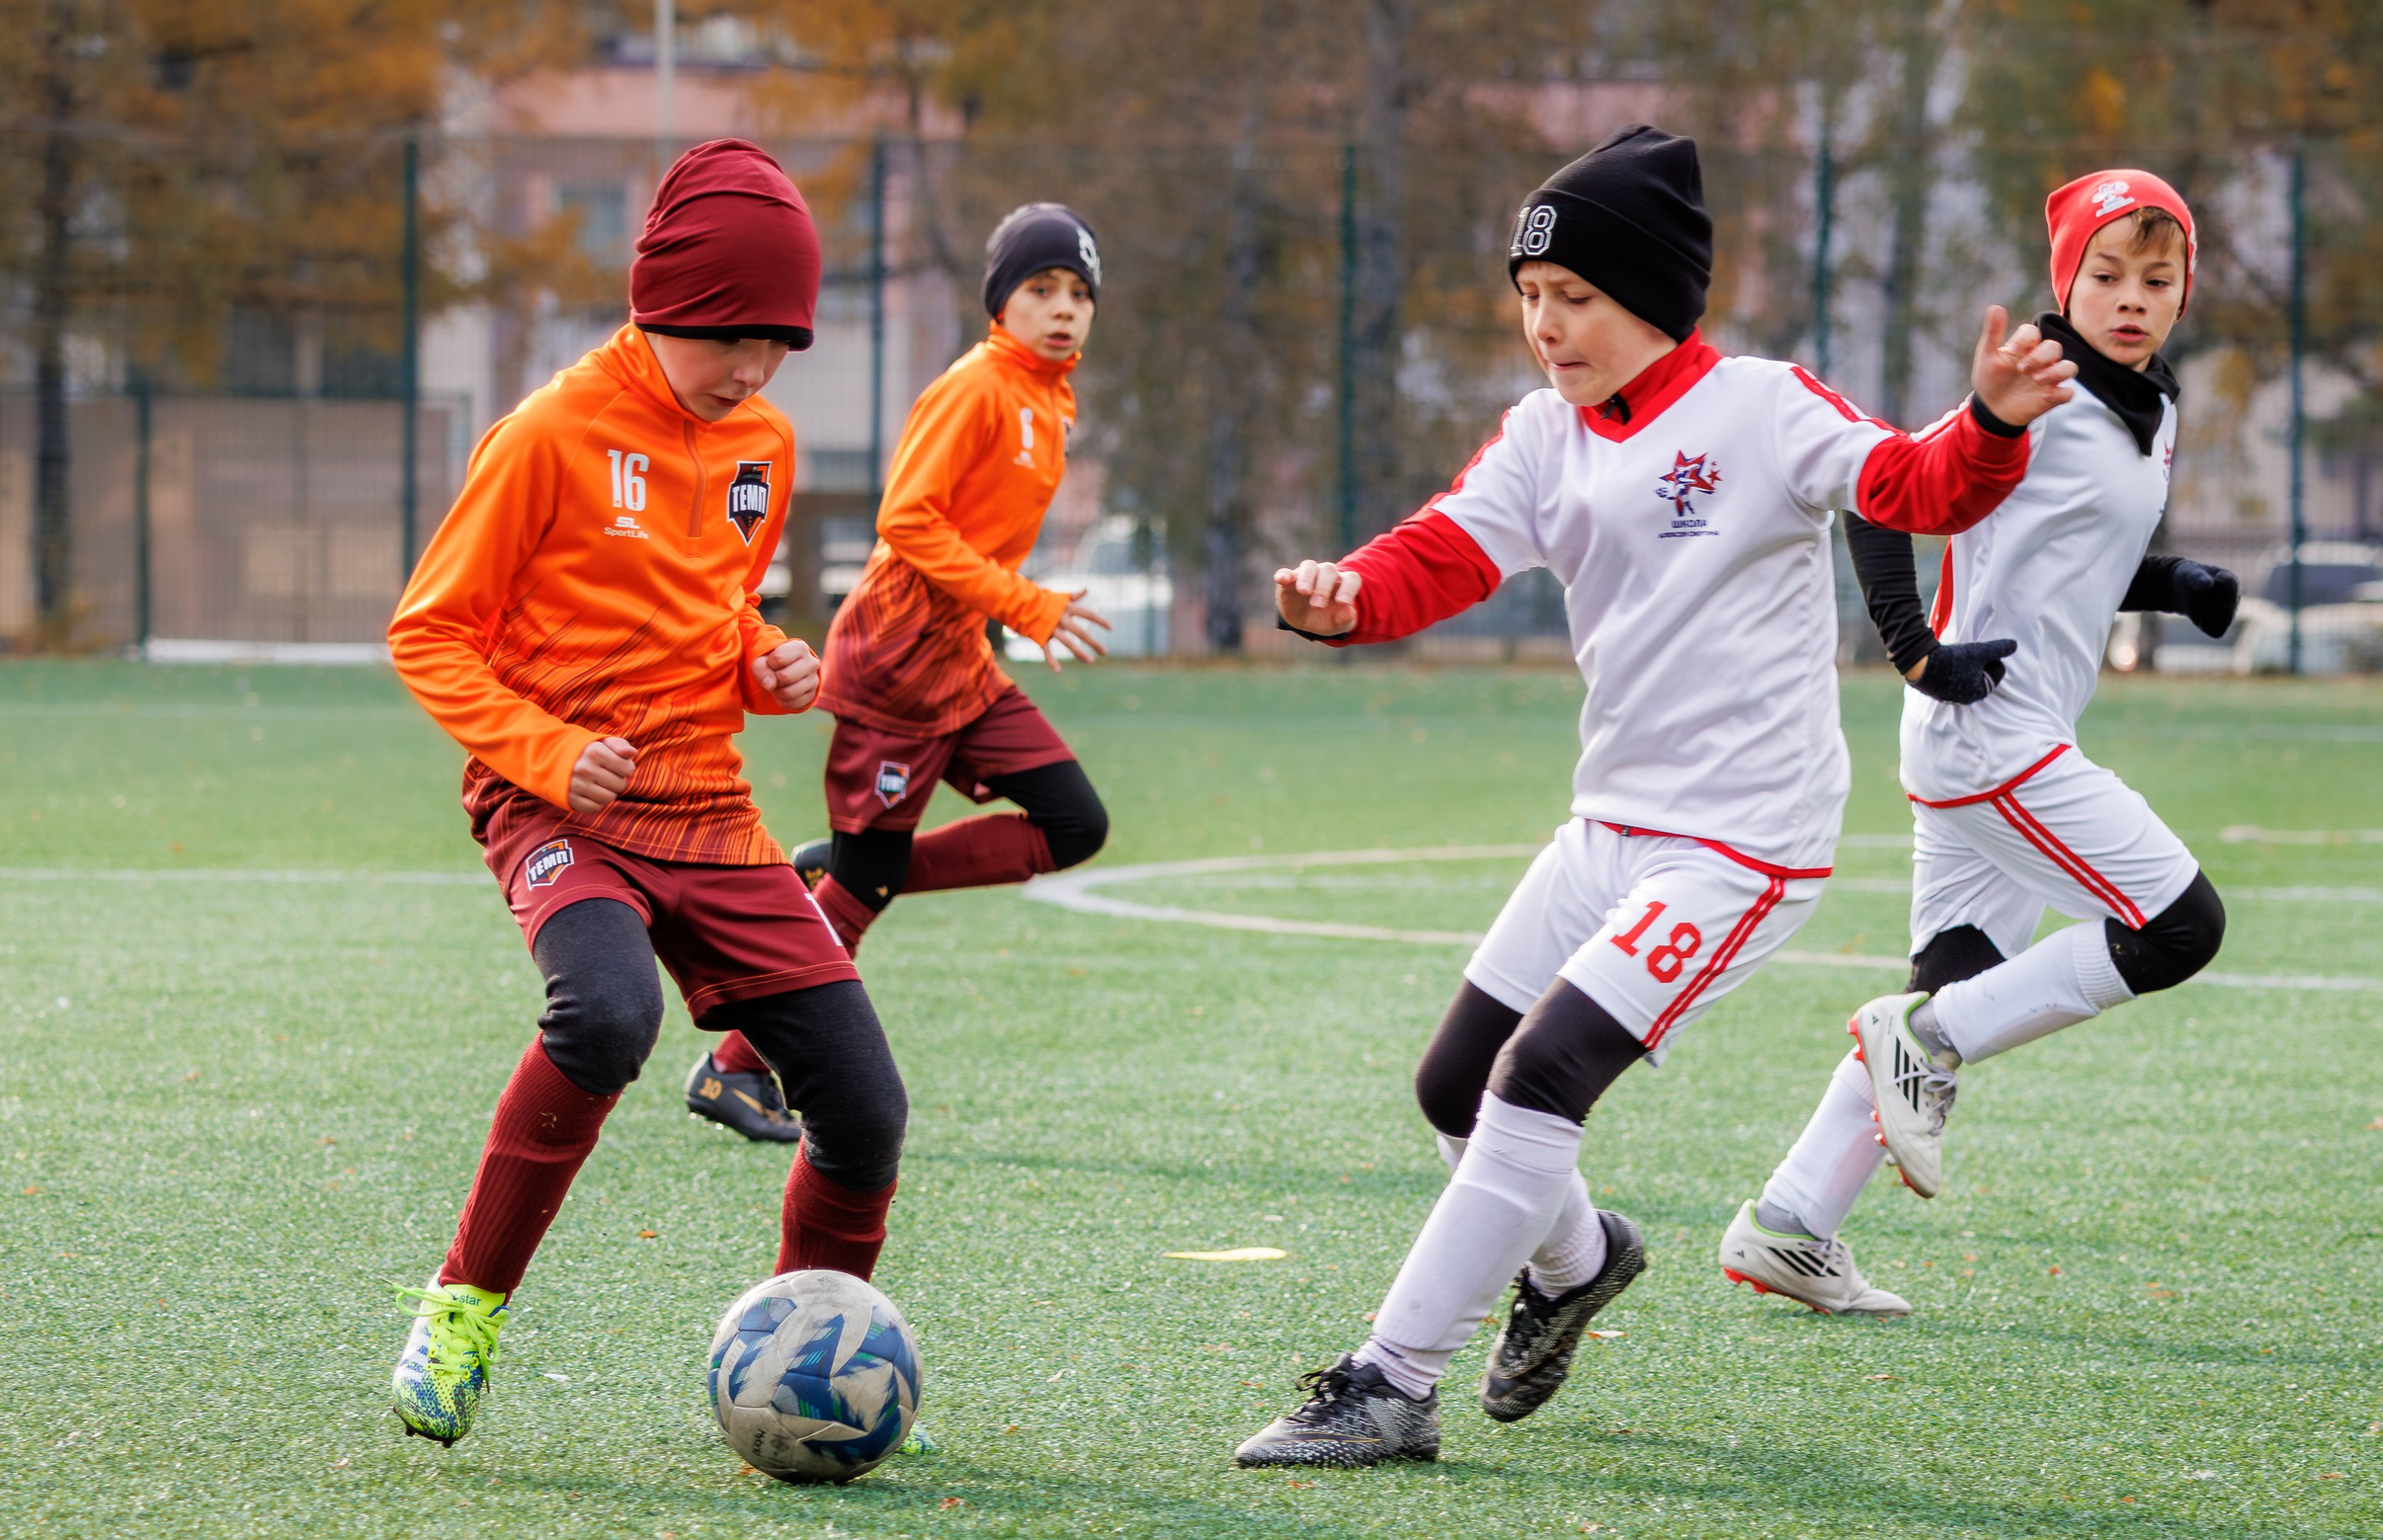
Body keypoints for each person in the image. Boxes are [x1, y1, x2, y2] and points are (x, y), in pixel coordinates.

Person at [1231, 124, 2074, 1469]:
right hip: (1609, 824)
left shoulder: (1758, 403)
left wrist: (1991, 425)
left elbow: (1908, 484)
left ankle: (1393, 1379)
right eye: (1530, 298)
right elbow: (1437, 552)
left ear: (1655, 298)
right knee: (1453, 1081)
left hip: (1742, 843)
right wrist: (1340, 596)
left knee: (1541, 1072)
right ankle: (1579, 1258)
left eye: (1576, 299)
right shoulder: (1543, 436)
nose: (1545, 326)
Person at [382, 140, 912, 1447]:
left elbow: (712, 608)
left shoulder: (763, 443)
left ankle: (822, 1352)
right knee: (606, 1013)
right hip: (554, 801)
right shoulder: (548, 434)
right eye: (732, 336)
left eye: (777, 342)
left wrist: (765, 664)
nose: (752, 367)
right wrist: (546, 750)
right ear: (662, 303)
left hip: (706, 807)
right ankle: (462, 1306)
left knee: (862, 1103)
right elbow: (429, 632)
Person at [1720, 170, 2235, 1314]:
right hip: (1987, 732)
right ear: (2065, 282)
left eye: (2158, 277)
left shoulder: (2147, 406)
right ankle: (1930, 1038)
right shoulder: (2035, 387)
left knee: (1954, 975)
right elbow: (1877, 495)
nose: (2131, 297)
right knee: (2178, 926)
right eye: (2105, 275)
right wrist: (1912, 648)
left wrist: (2171, 583)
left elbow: (2059, 556)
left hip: (1998, 737)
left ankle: (1791, 1225)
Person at [688, 203, 1113, 1138]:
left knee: (1074, 822)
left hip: (957, 658)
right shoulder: (975, 389)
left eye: (1079, 293)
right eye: (1041, 289)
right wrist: (1027, 603)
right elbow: (908, 523)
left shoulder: (1051, 394)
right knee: (863, 891)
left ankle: (843, 866)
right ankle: (730, 1069)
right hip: (896, 662)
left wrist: (1006, 606)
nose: (1063, 308)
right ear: (1000, 301)